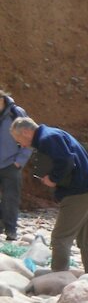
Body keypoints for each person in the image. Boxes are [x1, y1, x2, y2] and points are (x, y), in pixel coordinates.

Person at [10, 117, 88, 280]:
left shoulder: (48, 138)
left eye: (19, 140)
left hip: (79, 192)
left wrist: (53, 179)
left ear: (26, 132)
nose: (22, 145)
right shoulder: (53, 134)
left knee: (60, 237)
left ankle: (59, 277)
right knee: (86, 239)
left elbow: (66, 160)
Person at [0, 91, 32, 240]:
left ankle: (11, 230)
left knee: (10, 198)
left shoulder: (16, 113)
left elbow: (30, 137)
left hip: (11, 164)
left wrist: (19, 161)